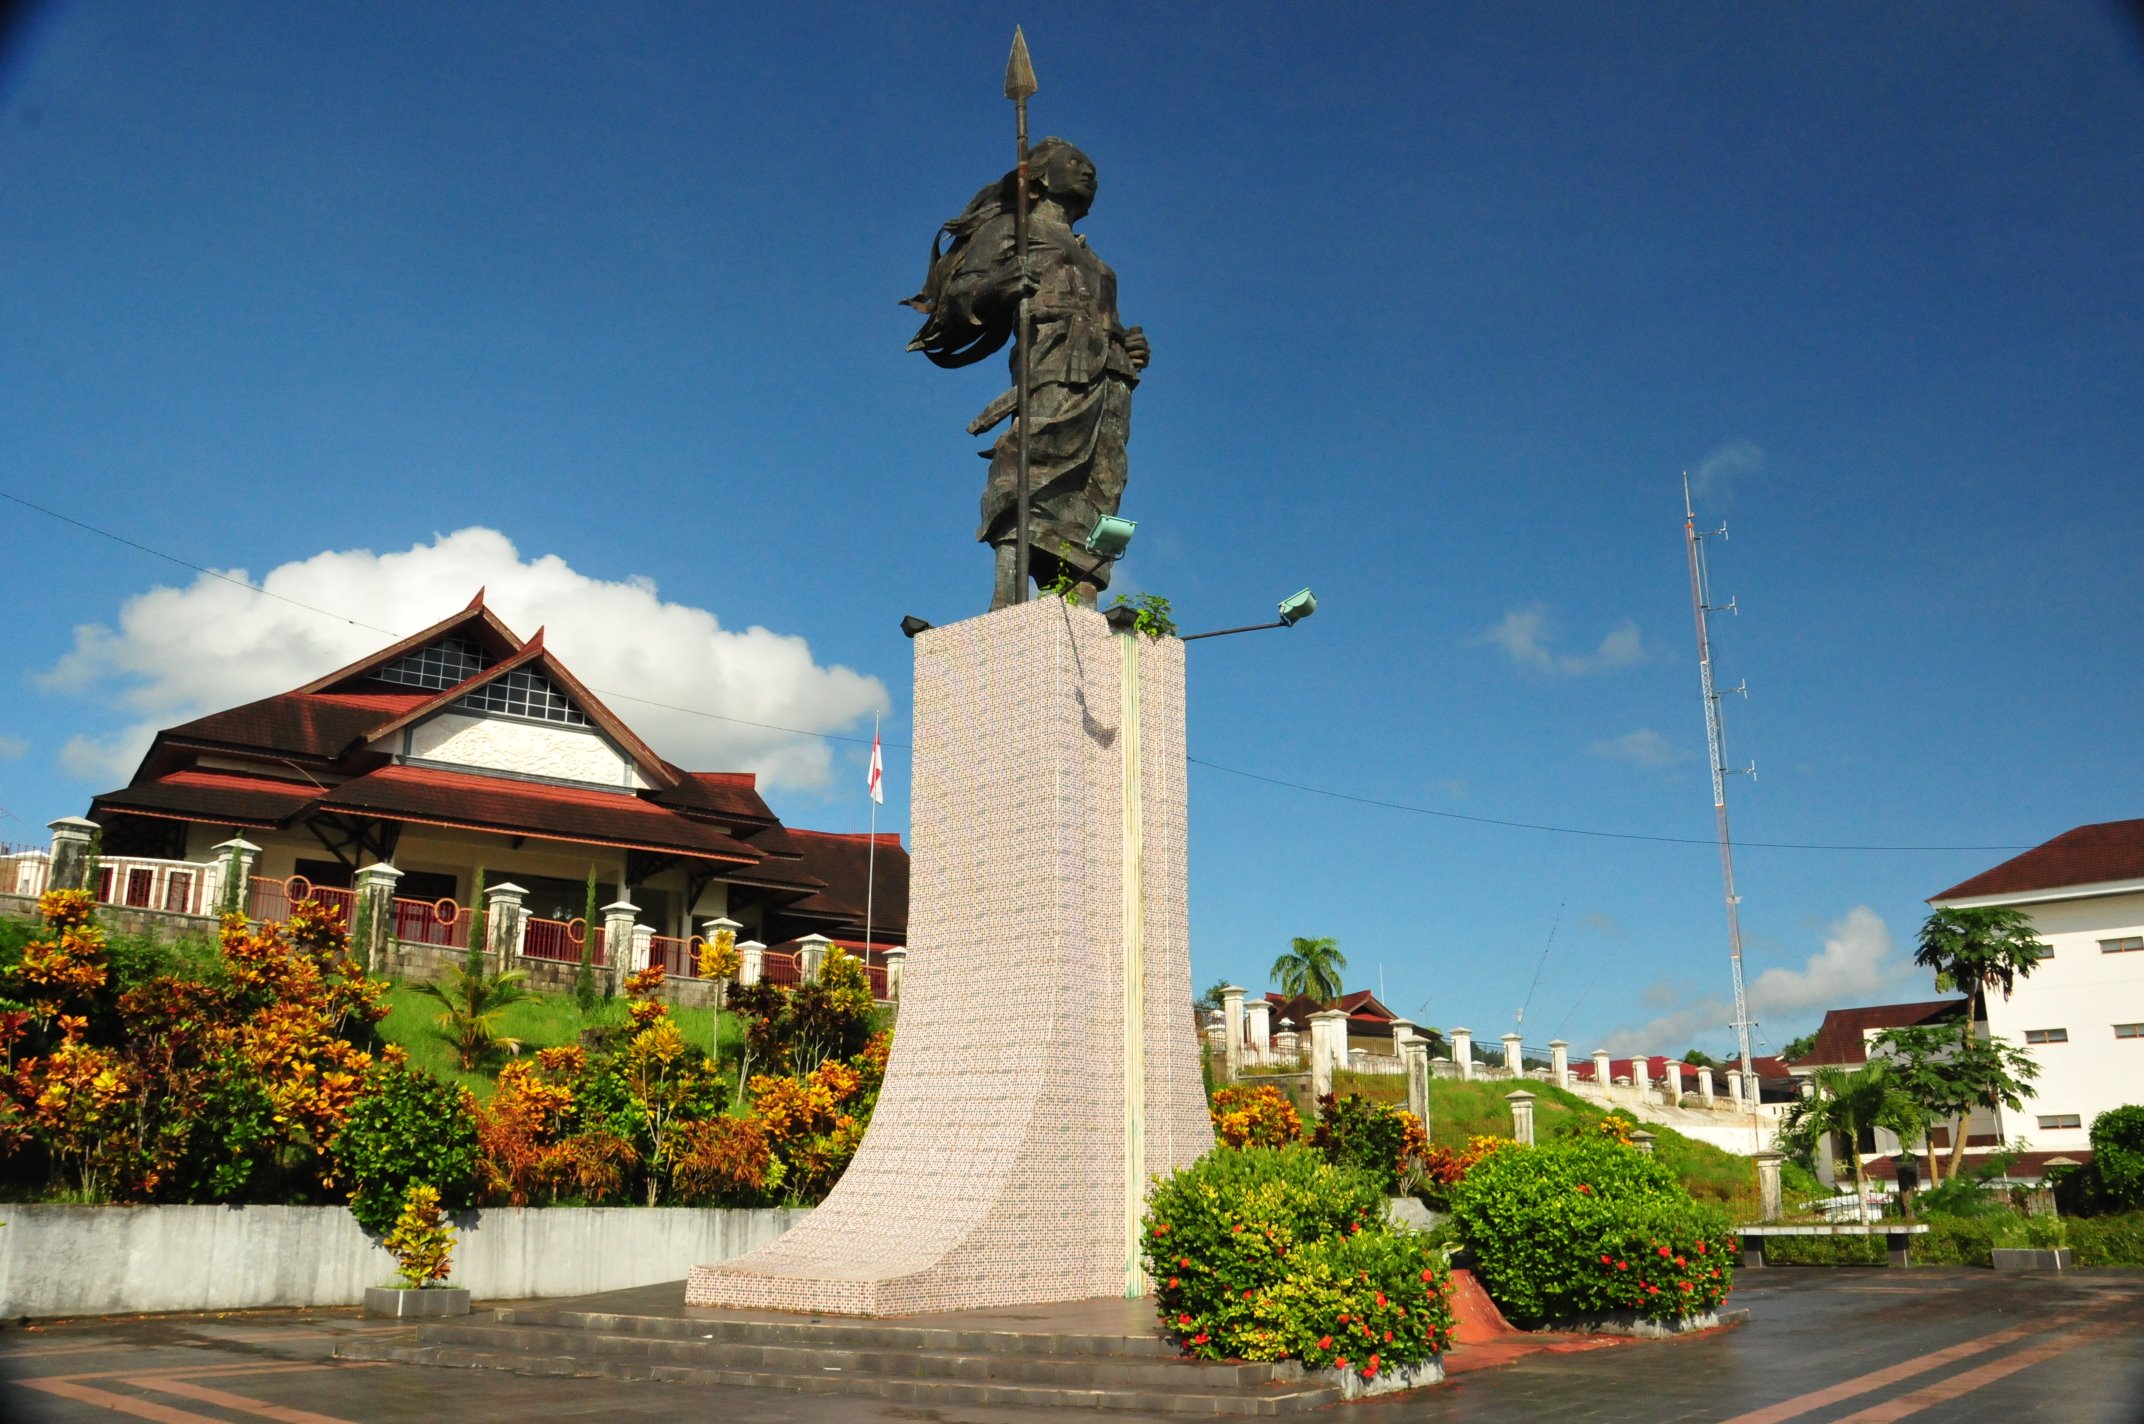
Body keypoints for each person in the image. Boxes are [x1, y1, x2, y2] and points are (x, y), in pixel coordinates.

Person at [903, 138, 1151, 609]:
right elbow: (962, 292)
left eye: (1093, 168)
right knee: (1030, 458)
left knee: (1102, 481)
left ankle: (1080, 592)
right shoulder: (1014, 229)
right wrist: (999, 285)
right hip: (1053, 363)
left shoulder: (1100, 265)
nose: (1088, 173)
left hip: (1109, 377)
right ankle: (1006, 589)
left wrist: (1131, 346)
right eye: (1076, 162)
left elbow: (1110, 322)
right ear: (1039, 174)